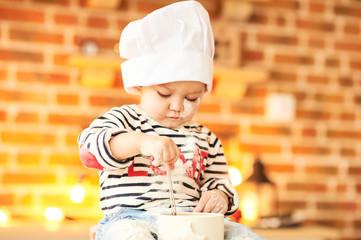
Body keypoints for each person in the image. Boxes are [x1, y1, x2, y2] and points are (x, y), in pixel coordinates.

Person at [78, 1, 265, 239]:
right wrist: (140, 142)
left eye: (192, 97)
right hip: (130, 219)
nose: (177, 106)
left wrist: (220, 197)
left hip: (193, 222)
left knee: (245, 235)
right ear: (141, 86)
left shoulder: (206, 139)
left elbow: (219, 183)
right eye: (164, 94)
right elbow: (89, 151)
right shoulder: (124, 119)